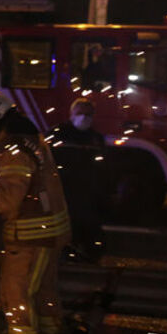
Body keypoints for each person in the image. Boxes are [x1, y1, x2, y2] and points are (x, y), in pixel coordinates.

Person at [0, 91, 70, 334]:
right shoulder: (30, 140)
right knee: (44, 292)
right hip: (49, 231)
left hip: (29, 236)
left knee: (16, 293)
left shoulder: (13, 150)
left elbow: (11, 196)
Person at [49, 98, 107, 262]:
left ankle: (88, 256)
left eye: (88, 114)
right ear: (71, 114)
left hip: (87, 192)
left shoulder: (95, 138)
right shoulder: (58, 134)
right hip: (64, 190)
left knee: (88, 226)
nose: (84, 117)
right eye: (80, 113)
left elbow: (103, 166)